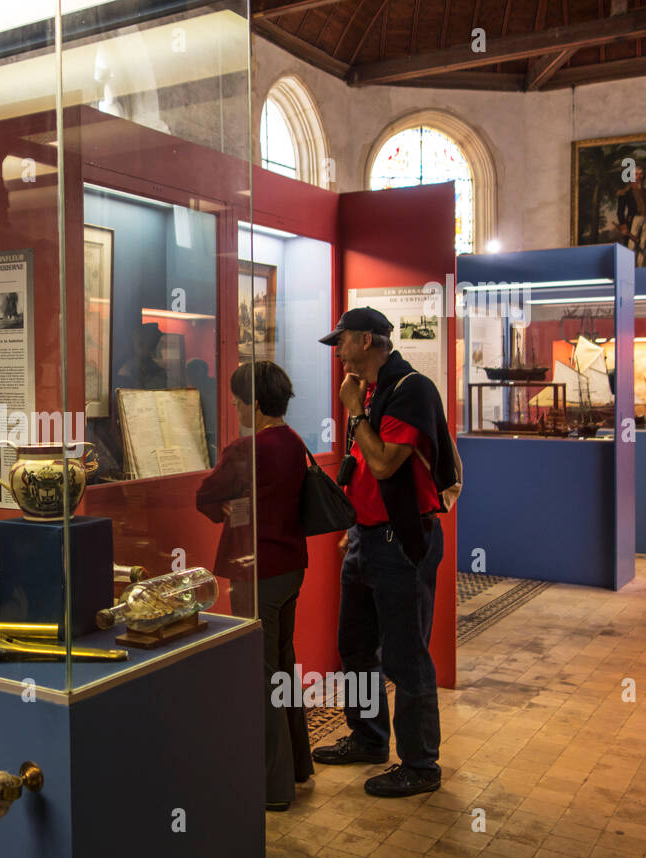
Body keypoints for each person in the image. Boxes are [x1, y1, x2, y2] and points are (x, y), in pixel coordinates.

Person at [313, 307, 458, 798]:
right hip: (365, 536)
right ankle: (369, 737)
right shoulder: (372, 390)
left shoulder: (410, 389)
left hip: (402, 541)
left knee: (405, 656)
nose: (337, 351)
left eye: (342, 341)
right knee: (355, 645)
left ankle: (420, 764)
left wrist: (354, 412)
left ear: (366, 340)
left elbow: (383, 465)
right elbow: (361, 466)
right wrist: (353, 524)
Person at [196, 360, 310, 810]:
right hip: (290, 567)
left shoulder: (246, 448)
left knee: (260, 676)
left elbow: (204, 494)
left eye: (239, 401)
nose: (236, 407)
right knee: (282, 666)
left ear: (256, 405)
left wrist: (224, 505)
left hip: (255, 570)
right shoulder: (294, 442)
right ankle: (297, 765)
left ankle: (272, 788)